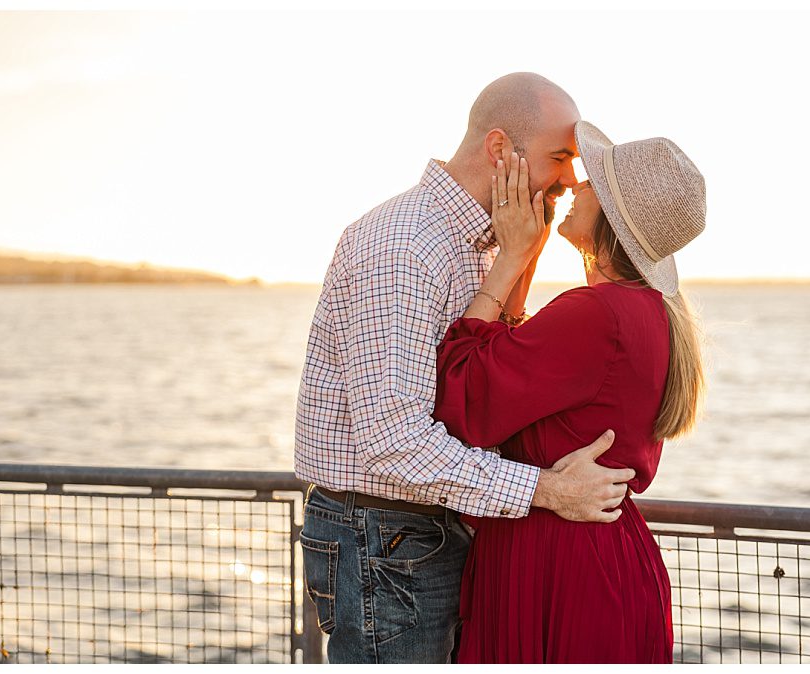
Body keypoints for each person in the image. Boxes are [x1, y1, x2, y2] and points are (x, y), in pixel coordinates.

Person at [293, 74, 636, 664]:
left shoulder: (480, 245)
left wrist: (520, 260)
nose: (571, 181)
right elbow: (395, 443)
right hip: (385, 540)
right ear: (500, 149)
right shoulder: (404, 245)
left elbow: (477, 388)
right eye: (560, 158)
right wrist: (549, 491)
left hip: (417, 532)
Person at [433, 120, 706, 663]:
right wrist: (528, 255)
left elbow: (460, 394)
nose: (576, 185)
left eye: (594, 184)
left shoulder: (595, 314)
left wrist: (509, 258)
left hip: (559, 562)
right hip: (603, 554)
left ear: (608, 217)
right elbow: (517, 365)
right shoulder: (647, 311)